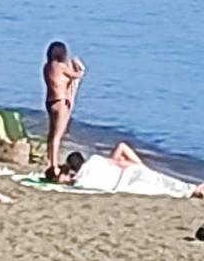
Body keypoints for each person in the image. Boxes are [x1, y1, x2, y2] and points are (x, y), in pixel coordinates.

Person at [55, 143, 204, 198]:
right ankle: (195, 189)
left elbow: (62, 181)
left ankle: (194, 191)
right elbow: (117, 158)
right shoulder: (96, 160)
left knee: (163, 188)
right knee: (163, 181)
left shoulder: (81, 181)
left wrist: (63, 174)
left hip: (125, 183)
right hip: (130, 173)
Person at [44, 41, 85, 178]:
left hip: (50, 101)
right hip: (61, 102)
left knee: (51, 134)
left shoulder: (47, 67)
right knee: (57, 136)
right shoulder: (61, 67)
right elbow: (77, 75)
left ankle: (50, 161)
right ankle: (53, 165)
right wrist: (78, 66)